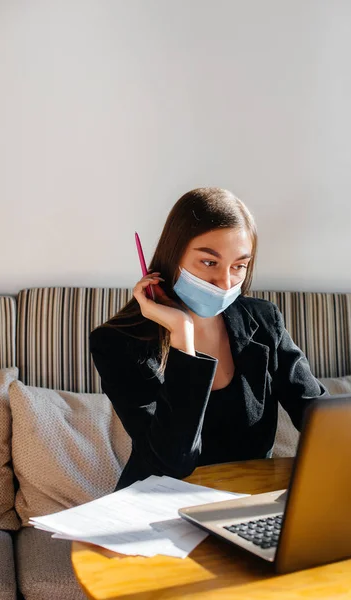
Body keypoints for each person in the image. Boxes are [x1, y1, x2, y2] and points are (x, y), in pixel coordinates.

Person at [90, 187, 327, 490]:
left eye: (239, 266)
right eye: (209, 262)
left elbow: (318, 418)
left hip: (244, 503)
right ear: (173, 255)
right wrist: (182, 338)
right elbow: (173, 461)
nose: (225, 282)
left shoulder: (265, 321)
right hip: (159, 506)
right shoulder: (116, 342)